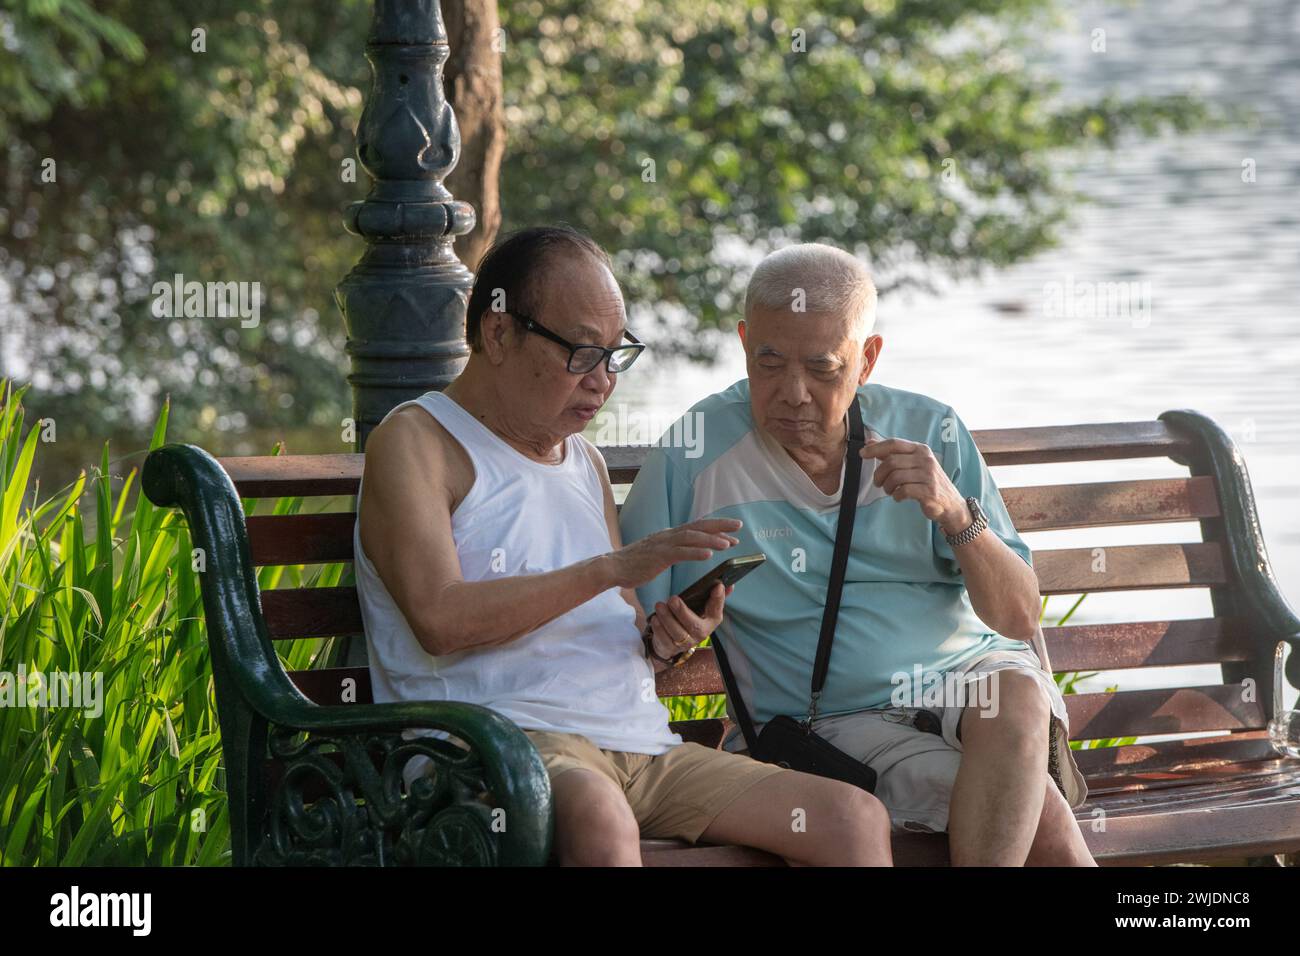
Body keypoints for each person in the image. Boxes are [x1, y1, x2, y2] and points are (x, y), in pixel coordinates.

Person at [353, 226, 893, 866]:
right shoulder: (418, 441)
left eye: (616, 355)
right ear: (498, 333)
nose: (603, 382)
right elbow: (441, 618)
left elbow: (619, 626)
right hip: (499, 747)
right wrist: (611, 567)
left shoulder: (582, 460)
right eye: (583, 354)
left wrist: (666, 638)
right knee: (599, 818)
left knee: (850, 820)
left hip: (642, 748)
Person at [620, 242, 1095, 866]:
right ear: (742, 342)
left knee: (1017, 696)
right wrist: (674, 635)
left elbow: (1016, 618)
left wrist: (955, 515)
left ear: (866, 358)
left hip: (974, 689)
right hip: (831, 729)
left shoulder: (930, 430)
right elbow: (626, 629)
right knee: (1041, 824)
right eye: (769, 363)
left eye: (822, 368)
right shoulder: (695, 454)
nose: (792, 393)